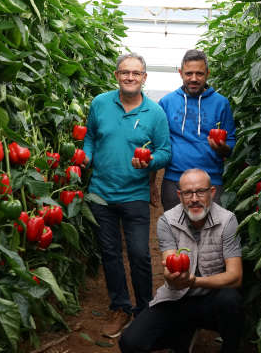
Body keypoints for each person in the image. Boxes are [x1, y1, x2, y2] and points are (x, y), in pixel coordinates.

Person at [82, 52, 172, 338]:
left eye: (136, 73)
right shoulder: (100, 103)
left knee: (139, 254)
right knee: (109, 253)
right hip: (101, 193)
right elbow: (90, 137)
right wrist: (86, 156)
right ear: (116, 75)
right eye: (125, 72)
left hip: (134, 194)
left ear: (144, 78)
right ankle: (120, 306)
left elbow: (165, 151)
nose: (130, 77)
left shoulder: (154, 112)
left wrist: (149, 162)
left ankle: (144, 310)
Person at [119, 168, 244, 353]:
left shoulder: (227, 220)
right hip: (178, 298)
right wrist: (172, 277)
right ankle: (181, 334)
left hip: (212, 301)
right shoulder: (167, 221)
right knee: (130, 342)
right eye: (187, 193)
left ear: (212, 192)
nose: (194, 198)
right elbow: (169, 268)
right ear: (179, 195)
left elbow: (236, 276)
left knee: (230, 300)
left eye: (200, 191)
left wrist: (195, 281)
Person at [156, 49, 236, 211]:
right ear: (180, 73)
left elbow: (231, 145)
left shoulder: (221, 103)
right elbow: (158, 143)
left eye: (199, 74)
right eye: (189, 73)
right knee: (175, 231)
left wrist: (222, 148)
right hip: (175, 181)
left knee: (212, 233)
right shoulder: (167, 103)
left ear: (207, 73)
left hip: (210, 181)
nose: (193, 79)